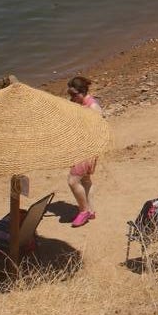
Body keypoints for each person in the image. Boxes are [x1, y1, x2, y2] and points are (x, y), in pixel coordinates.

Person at [66, 75, 103, 227]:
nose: (72, 97)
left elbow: (97, 130)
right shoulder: (80, 104)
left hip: (87, 149)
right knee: (86, 180)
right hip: (82, 148)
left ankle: (83, 211)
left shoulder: (93, 107)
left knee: (73, 181)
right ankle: (91, 210)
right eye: (70, 94)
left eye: (74, 94)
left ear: (82, 92)